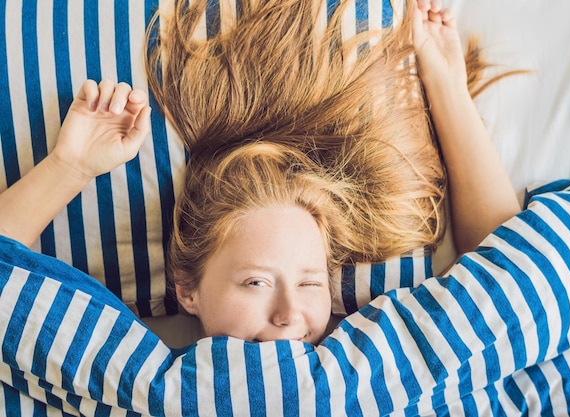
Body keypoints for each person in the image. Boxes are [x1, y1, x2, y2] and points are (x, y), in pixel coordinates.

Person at [0, 0, 520, 345]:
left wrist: (444, 77)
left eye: (312, 283)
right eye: (254, 282)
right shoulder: (119, 362)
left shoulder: (378, 355)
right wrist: (68, 167)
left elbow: (512, 281)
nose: (289, 315)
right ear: (187, 292)